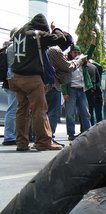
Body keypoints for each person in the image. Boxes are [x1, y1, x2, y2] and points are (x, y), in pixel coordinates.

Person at [10, 13, 66, 151]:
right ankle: (43, 141)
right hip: (32, 78)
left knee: (21, 111)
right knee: (39, 110)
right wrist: (55, 29)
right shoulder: (37, 34)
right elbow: (61, 39)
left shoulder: (18, 33)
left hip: (17, 77)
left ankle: (21, 142)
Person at [46, 25, 86, 142]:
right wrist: (80, 60)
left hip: (46, 84)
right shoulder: (55, 50)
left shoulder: (47, 47)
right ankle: (49, 137)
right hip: (53, 85)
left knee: (44, 111)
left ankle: (43, 136)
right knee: (54, 112)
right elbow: (68, 67)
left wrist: (54, 28)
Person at [64, 34, 96, 140]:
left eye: (78, 52)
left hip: (82, 90)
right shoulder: (67, 63)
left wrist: (93, 39)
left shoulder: (82, 62)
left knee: (85, 113)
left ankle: (89, 133)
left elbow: (90, 50)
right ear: (71, 53)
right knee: (70, 113)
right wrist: (65, 93)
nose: (77, 54)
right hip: (71, 90)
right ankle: (71, 134)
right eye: (75, 52)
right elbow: (63, 79)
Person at [1, 28, 18, 146]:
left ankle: (12, 135)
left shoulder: (7, 47)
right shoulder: (13, 47)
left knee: (13, 109)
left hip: (8, 82)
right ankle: (9, 136)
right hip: (13, 81)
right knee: (13, 109)